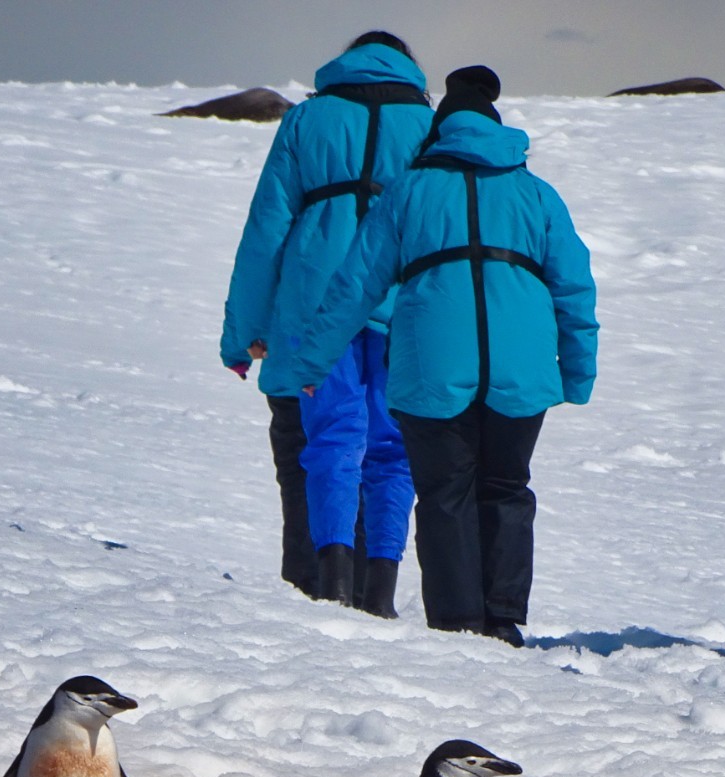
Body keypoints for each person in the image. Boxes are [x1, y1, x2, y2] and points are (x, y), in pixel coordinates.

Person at [262, 68, 597, 645]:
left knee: (446, 492)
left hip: (432, 368)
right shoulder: (538, 195)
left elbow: (355, 288)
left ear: (438, 133)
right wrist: (578, 371)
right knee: (507, 487)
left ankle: (457, 621)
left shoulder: (410, 191)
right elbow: (574, 289)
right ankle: (503, 619)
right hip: (521, 370)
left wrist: (309, 364)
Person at [221, 32, 433, 615]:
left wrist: (242, 333)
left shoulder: (306, 121)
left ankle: (311, 587)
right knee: (390, 451)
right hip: (397, 303)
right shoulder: (429, 127)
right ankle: (376, 596)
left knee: (309, 444)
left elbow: (265, 233)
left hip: (309, 310)